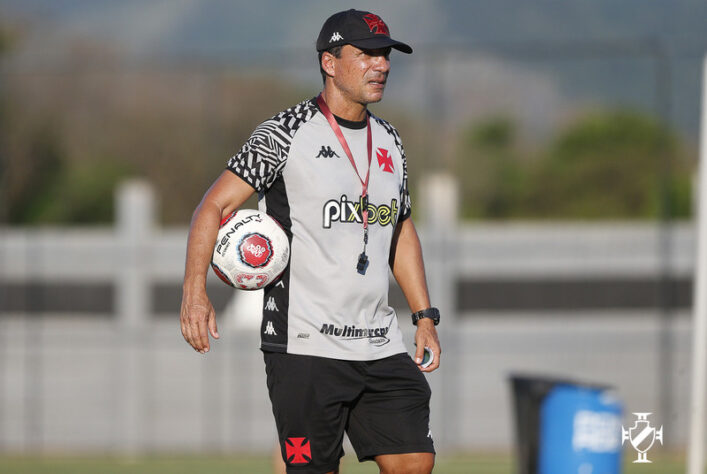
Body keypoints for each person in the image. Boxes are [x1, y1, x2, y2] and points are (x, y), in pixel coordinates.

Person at [180, 9, 441, 474]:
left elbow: (400, 228)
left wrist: (423, 315)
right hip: (305, 346)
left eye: (385, 55)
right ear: (330, 62)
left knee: (414, 461)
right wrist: (195, 292)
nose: (380, 65)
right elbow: (213, 207)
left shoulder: (390, 141)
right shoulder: (283, 133)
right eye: (365, 54)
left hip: (378, 342)